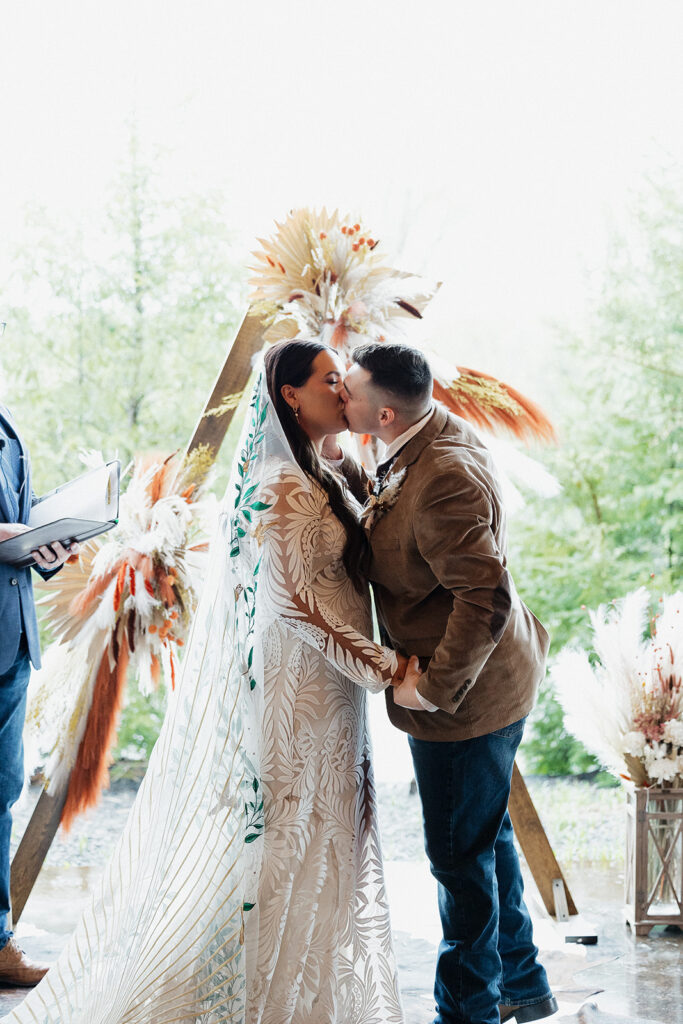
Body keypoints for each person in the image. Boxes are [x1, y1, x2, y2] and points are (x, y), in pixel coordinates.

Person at [4, 340, 420, 1024]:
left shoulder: (314, 469)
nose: (341, 392)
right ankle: (254, 998)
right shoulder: (274, 486)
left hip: (330, 690)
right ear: (288, 394)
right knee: (285, 843)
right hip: (299, 690)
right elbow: (293, 604)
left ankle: (308, 994)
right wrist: (387, 668)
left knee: (323, 839)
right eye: (327, 381)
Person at [339, 343, 557, 1024]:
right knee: (483, 835)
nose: (337, 396)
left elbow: (483, 600)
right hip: (487, 674)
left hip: (470, 695)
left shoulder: (443, 476)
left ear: (380, 410)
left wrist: (430, 690)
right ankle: (522, 986)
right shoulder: (410, 431)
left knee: (457, 860)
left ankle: (467, 1013)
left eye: (345, 389)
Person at [0, 403, 78, 987]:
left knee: (1, 793)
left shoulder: (7, 423)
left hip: (12, 637)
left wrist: (49, 546)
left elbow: (16, 517)